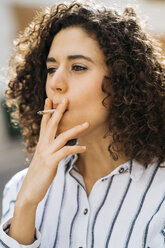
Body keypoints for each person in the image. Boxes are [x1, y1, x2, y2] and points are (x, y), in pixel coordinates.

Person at [0, 0, 165, 247]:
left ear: (122, 81)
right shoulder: (20, 188)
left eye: (78, 67)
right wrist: (26, 204)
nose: (56, 82)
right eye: (51, 68)